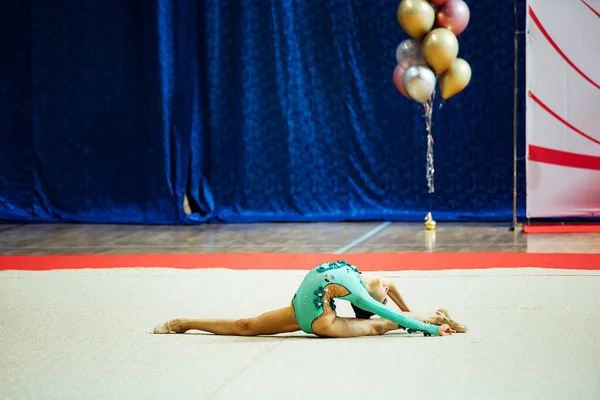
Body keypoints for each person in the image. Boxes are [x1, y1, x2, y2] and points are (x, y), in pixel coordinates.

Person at [153, 260, 467, 337]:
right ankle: (184, 322)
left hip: (322, 321)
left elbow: (393, 307)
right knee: (245, 325)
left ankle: (435, 319)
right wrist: (418, 317)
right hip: (302, 308)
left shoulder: (361, 283)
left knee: (379, 327)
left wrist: (422, 323)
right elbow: (390, 288)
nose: (385, 289)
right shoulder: (364, 284)